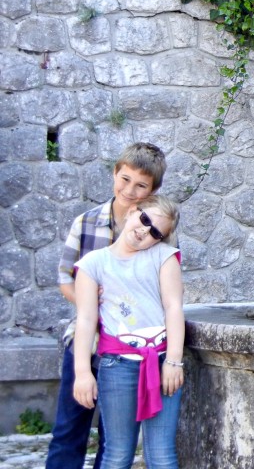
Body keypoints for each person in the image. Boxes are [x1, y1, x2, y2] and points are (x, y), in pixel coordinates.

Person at [47, 142, 169, 469]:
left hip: (128, 348)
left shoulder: (155, 232)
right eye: (125, 179)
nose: (129, 190)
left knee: (113, 439)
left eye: (140, 185)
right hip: (88, 340)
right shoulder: (85, 223)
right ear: (115, 173)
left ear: (152, 190)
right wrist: (87, 300)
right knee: (69, 427)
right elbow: (64, 278)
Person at [72, 195, 185, 469]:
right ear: (134, 211)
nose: (145, 230)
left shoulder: (164, 257)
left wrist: (173, 361)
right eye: (145, 219)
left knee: (161, 454)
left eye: (155, 232)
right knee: (117, 453)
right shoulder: (93, 263)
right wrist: (83, 373)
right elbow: (86, 320)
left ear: (160, 239)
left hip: (160, 362)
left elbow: (173, 308)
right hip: (117, 366)